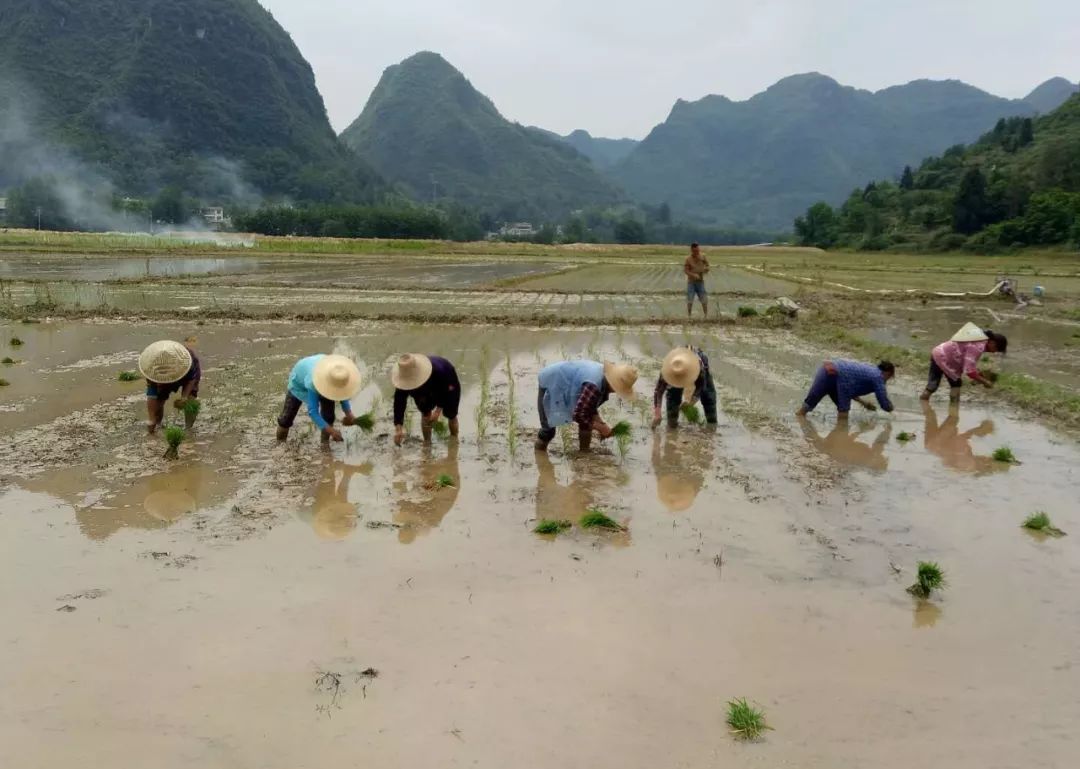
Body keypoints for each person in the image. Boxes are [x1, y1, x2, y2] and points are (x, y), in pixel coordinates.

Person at [535, 360, 638, 452]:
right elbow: (579, 415)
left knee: (586, 422)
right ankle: (540, 458)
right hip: (551, 382)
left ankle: (584, 452)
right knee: (547, 431)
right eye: (618, 389)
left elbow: (589, 408)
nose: (616, 392)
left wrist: (601, 423)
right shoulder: (594, 384)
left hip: (564, 382)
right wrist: (601, 428)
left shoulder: (603, 380)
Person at [276, 354, 362, 444]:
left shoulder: (338, 375)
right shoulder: (313, 381)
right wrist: (332, 431)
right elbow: (313, 412)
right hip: (299, 383)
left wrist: (350, 415)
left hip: (321, 372)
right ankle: (280, 444)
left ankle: (325, 445)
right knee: (286, 419)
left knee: (329, 417)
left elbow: (343, 396)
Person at [920, 323, 1008, 403]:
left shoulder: (978, 339)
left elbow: (968, 361)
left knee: (932, 385)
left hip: (938, 352)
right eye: (996, 349)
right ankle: (954, 410)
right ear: (992, 343)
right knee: (956, 384)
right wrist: (985, 381)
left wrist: (978, 375)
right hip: (946, 359)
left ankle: (923, 402)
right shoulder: (978, 347)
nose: (994, 352)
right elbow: (969, 371)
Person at [392, 354, 460, 446]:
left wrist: (437, 411)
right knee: (425, 412)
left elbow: (444, 390)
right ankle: (427, 443)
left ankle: (454, 439)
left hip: (448, 382)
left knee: (451, 413)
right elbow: (399, 403)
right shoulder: (402, 381)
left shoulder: (438, 371)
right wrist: (398, 427)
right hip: (426, 388)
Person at [796, 359, 895, 419]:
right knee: (843, 414)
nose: (886, 381)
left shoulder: (870, 371)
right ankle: (841, 439)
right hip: (834, 376)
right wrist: (892, 411)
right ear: (888, 373)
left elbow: (850, 385)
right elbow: (884, 402)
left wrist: (863, 403)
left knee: (806, 407)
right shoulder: (878, 377)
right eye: (889, 378)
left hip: (826, 370)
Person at [139, 339, 201, 433]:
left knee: (190, 400)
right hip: (161, 372)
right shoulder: (150, 369)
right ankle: (158, 424)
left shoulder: (188, 362)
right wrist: (151, 419)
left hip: (185, 371)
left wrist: (184, 397)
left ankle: (188, 429)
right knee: (160, 397)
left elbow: (191, 380)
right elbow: (151, 395)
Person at [652, 347, 717, 429]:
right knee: (672, 397)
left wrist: (691, 401)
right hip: (676, 371)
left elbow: (701, 386)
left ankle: (712, 426)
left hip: (701, 370)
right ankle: (672, 426)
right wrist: (657, 413)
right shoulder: (668, 369)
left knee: (708, 398)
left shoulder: (699, 366)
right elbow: (658, 391)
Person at [684, 242, 710, 318]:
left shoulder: (703, 256)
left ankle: (706, 316)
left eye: (698, 250)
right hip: (691, 282)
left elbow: (707, 265)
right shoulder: (688, 259)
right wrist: (693, 275)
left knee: (704, 299)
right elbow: (686, 270)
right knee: (690, 299)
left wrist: (706, 269)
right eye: (695, 251)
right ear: (692, 250)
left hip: (700, 282)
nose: (697, 252)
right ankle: (689, 316)